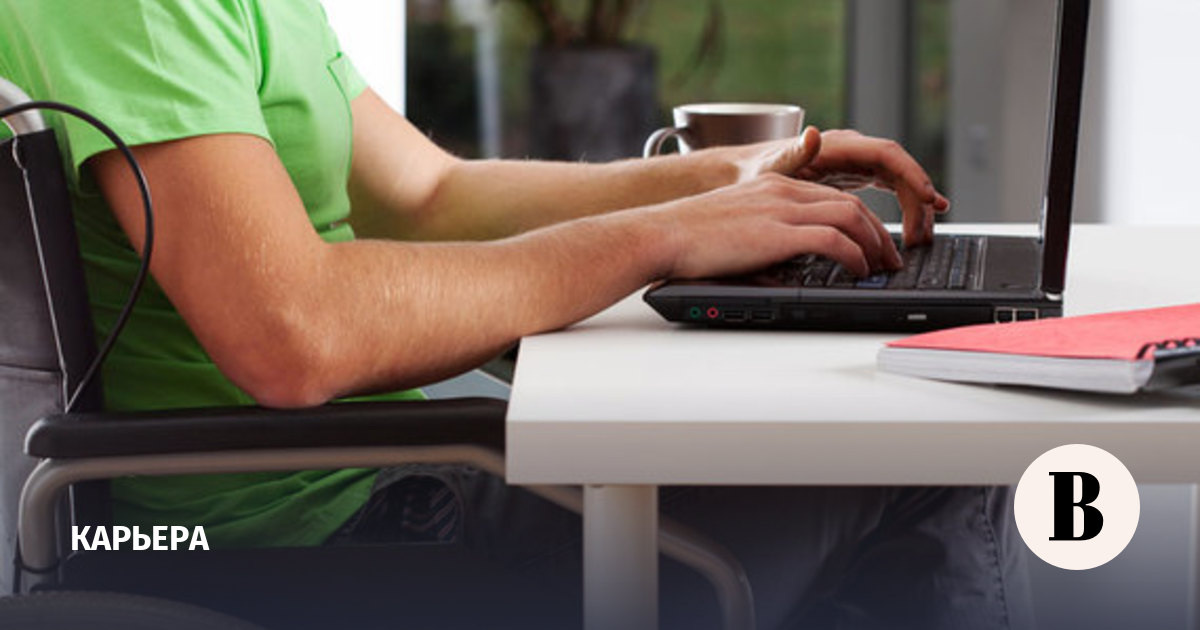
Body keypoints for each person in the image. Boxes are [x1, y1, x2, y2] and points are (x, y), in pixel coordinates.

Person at [0, 1, 1031, 628]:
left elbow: (427, 195)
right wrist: (664, 238)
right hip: (312, 540)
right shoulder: (132, 8)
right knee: (928, 450)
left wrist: (731, 178)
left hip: (379, 488)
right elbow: (292, 338)